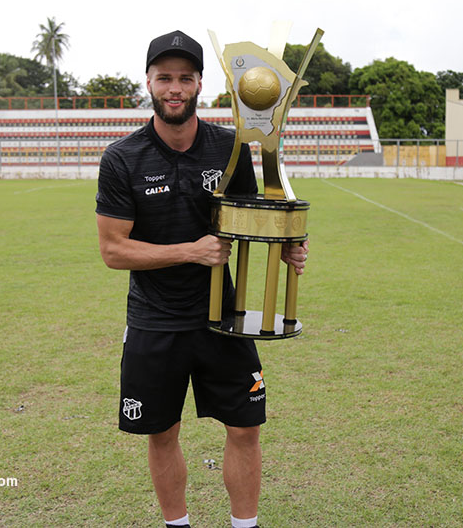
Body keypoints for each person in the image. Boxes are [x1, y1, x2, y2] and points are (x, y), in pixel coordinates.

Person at [95, 30, 308, 528]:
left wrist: (288, 249)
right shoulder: (122, 157)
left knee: (245, 429)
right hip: (155, 322)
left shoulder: (230, 147)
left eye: (185, 78)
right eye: (165, 77)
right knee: (162, 434)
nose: (174, 87)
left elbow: (253, 219)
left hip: (223, 318)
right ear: (148, 81)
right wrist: (190, 251)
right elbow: (112, 250)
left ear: (199, 84)